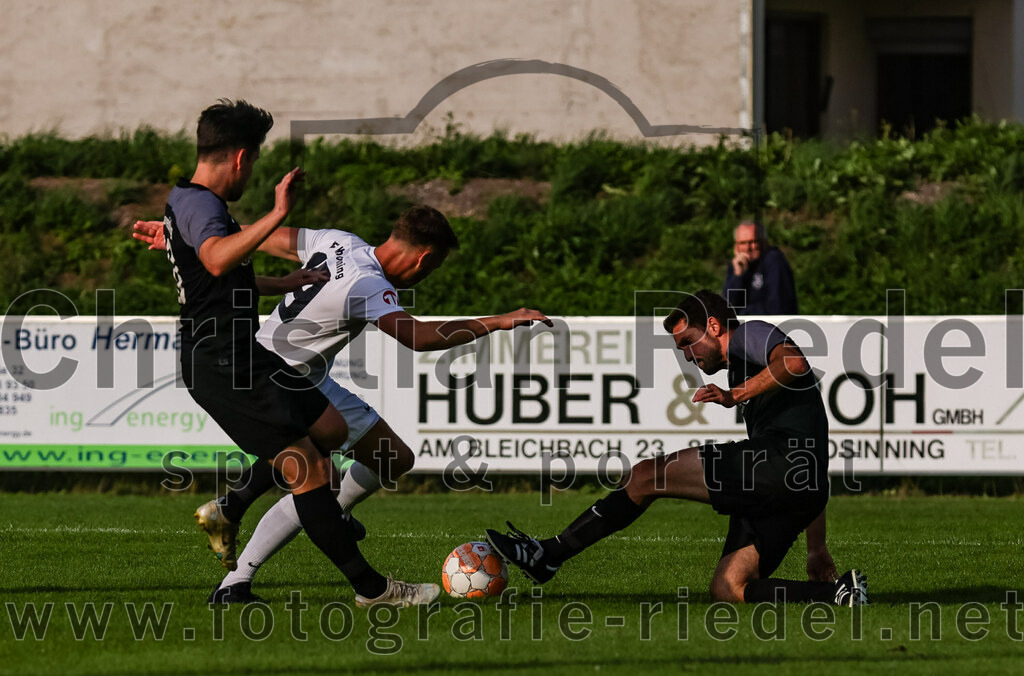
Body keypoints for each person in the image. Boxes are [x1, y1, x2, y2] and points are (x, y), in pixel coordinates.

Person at [135, 204, 551, 603]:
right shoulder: (369, 283)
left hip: (283, 368)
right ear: (424, 260)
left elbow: (259, 238)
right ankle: (253, 558)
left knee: (390, 458)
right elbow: (418, 338)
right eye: (434, 268)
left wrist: (183, 241)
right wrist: (497, 321)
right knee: (314, 476)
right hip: (282, 379)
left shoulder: (337, 241)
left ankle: (296, 526)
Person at [148, 98, 437, 607]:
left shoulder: (187, 201)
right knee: (311, 471)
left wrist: (284, 280)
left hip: (244, 356)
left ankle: (241, 509)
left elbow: (221, 270)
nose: (253, 170)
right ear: (240, 158)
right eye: (254, 160)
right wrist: (276, 213)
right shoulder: (203, 206)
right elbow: (216, 260)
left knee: (329, 431)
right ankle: (370, 587)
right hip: (223, 361)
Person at [486, 289, 867, 605]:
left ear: (715, 327)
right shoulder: (744, 367)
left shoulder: (751, 335)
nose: (688, 355)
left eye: (689, 342)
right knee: (727, 588)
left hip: (779, 466)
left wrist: (736, 393)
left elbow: (795, 362)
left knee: (647, 475)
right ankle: (837, 592)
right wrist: (816, 549)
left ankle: (548, 555)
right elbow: (811, 467)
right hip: (797, 487)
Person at [722, 221, 798, 315]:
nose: (747, 248)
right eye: (742, 243)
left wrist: (742, 313)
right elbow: (726, 309)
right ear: (736, 246)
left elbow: (776, 307)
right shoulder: (737, 266)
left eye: (752, 242)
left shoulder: (774, 261)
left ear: (763, 242)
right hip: (745, 326)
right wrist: (738, 276)